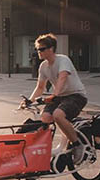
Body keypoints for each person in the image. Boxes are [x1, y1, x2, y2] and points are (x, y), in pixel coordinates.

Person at [24, 33, 88, 164]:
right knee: (45, 118)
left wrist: (55, 95)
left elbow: (62, 78)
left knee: (58, 115)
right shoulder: (43, 66)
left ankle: (77, 145)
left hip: (76, 95)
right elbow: (40, 87)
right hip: (60, 97)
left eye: (42, 49)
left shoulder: (63, 60)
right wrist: (30, 101)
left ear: (51, 48)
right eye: (37, 49)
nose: (39, 52)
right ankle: (45, 150)